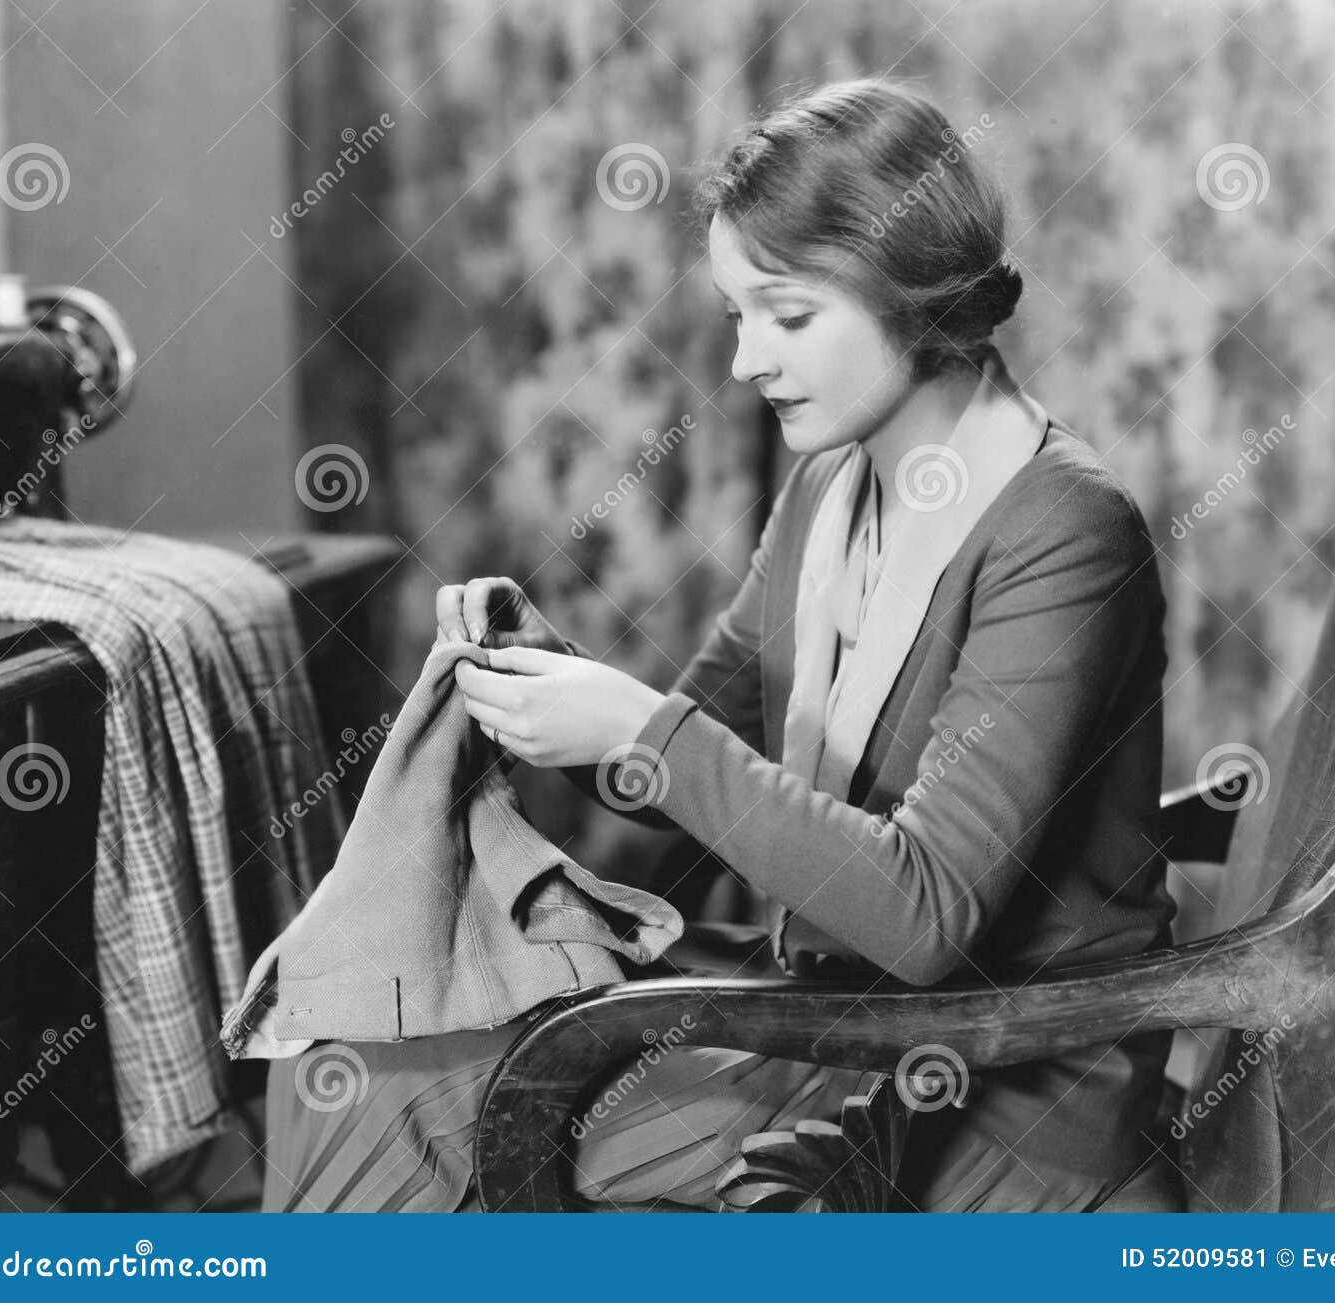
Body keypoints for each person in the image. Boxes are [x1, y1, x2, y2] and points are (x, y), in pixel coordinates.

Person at [262, 77, 1181, 1213]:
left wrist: (638, 727)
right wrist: (552, 683)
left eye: (787, 316)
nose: (747, 360)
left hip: (994, 1069)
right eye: (737, 315)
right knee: (342, 1056)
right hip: (840, 1007)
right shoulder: (828, 490)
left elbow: (925, 914)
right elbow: (686, 761)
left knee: (380, 1095)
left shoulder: (1063, 528)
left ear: (910, 293)